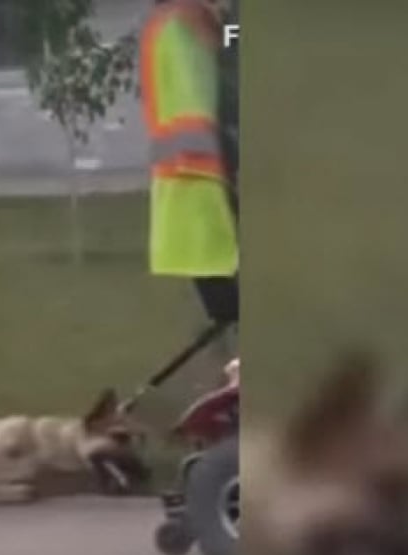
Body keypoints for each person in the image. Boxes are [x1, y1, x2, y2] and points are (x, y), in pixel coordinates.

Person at [141, 0, 239, 355]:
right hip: (209, 170)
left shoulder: (165, 24)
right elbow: (233, 49)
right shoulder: (189, 18)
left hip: (194, 176)